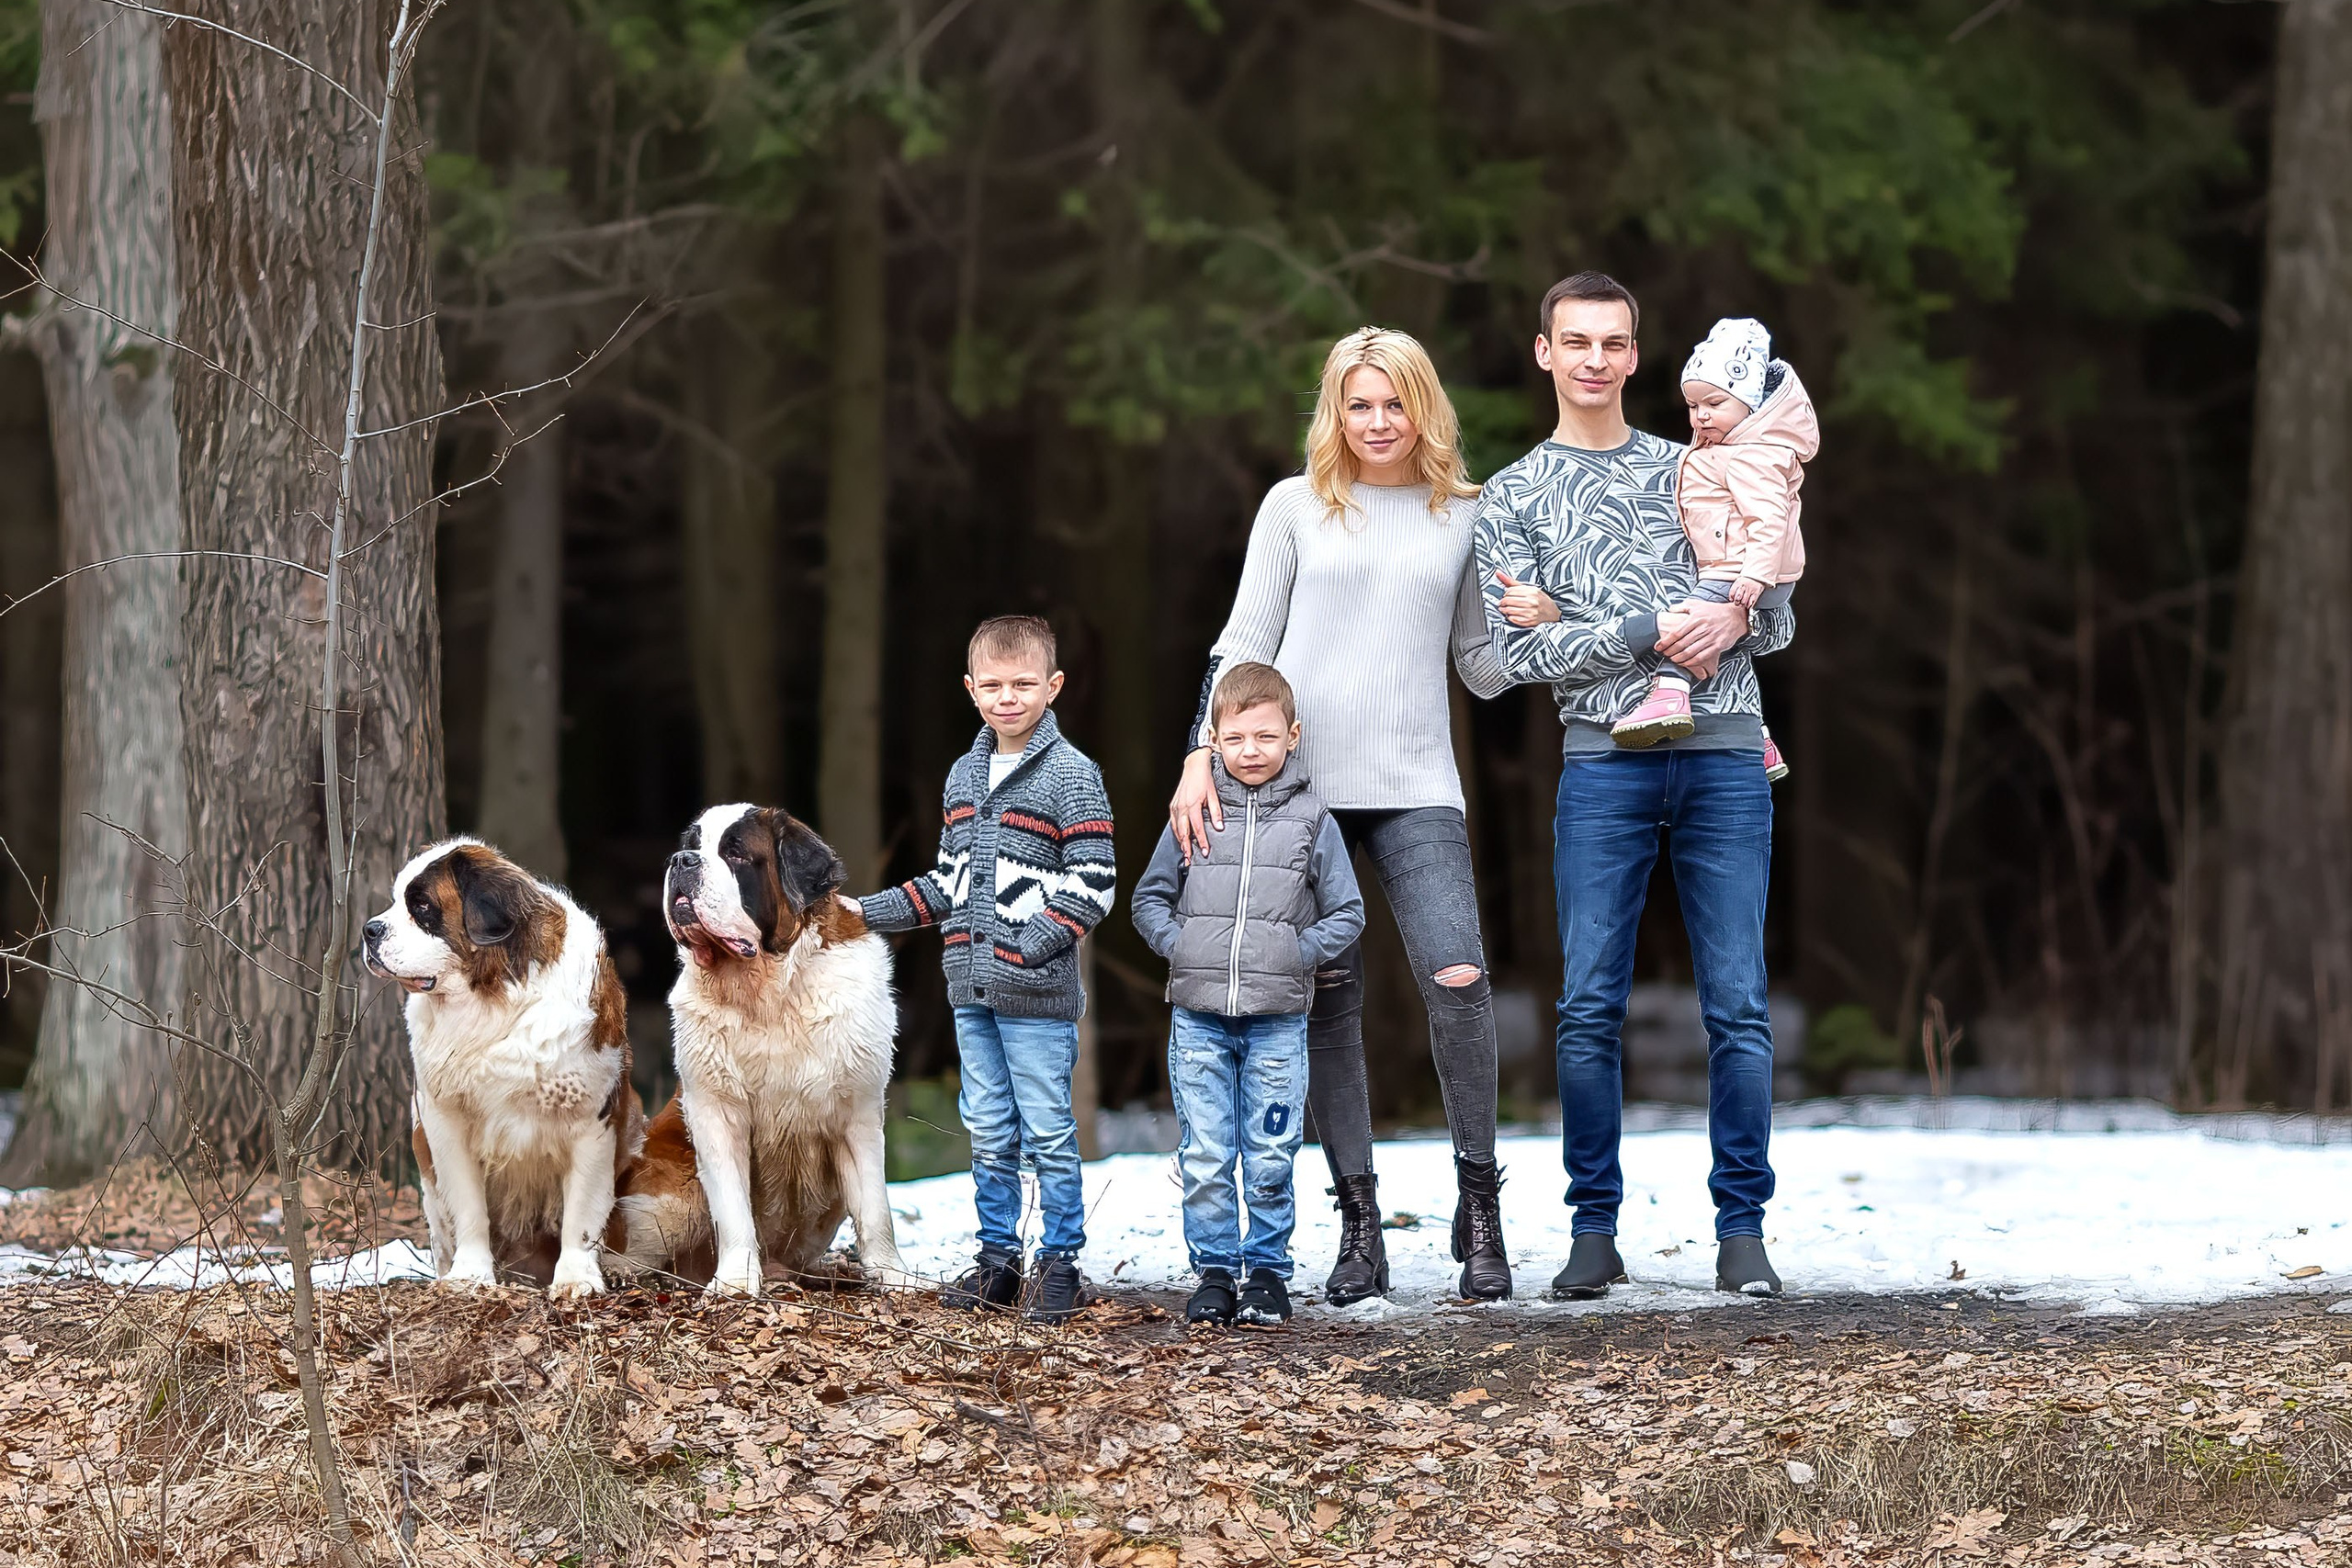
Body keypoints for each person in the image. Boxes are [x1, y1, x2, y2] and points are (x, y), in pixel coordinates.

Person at [1169, 326, 1516, 1304]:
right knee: (1325, 996)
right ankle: (1358, 1224)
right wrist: (1200, 753)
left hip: (1416, 788)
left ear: (1423, 408)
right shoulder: (1295, 507)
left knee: (1458, 975)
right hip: (1295, 794)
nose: (1376, 422)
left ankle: (1480, 1205)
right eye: (1358, 404)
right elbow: (1244, 641)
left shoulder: (1466, 515)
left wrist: (1548, 628)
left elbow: (1481, 669)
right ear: (1335, 410)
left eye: (1393, 403)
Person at [1475, 273, 1796, 1300]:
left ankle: (1742, 1232)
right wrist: (1637, 630)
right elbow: (1506, 659)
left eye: (1613, 342)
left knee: (1738, 1005)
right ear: (1544, 354)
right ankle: (1592, 1231)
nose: (1595, 359)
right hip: (1601, 767)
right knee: (1585, 1007)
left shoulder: (1699, 462)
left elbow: (1779, 617)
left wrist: (1733, 613)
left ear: (1636, 353)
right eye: (1576, 341)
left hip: (1723, 754)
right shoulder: (1513, 496)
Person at [851, 615, 1115, 1325]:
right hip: (971, 991)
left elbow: (1094, 881)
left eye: (1024, 684)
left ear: (1052, 687)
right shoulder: (964, 775)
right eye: (993, 685)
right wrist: (863, 912)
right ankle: (998, 1259)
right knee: (990, 1127)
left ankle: (1061, 1260)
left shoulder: (1072, 775)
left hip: (1036, 993)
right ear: (971, 690)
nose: (1008, 697)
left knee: (1048, 1130)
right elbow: (947, 883)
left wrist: (1033, 941)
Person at [1132, 663, 1366, 1327]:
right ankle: (1213, 1270)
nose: (1251, 751)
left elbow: (1346, 912)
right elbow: (1149, 897)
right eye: (1235, 739)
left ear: (1294, 735)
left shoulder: (1312, 819)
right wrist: (1181, 946)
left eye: (1265, 736)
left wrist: (1297, 953)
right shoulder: (1195, 807)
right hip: (1199, 1019)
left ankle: (1265, 1270)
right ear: (1213, 740)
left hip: (1277, 1023)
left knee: (1270, 1150)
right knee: (1206, 1153)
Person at [1609, 317, 1818, 784]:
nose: (1701, 415)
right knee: (1720, 647)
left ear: (1749, 404)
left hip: (1742, 569)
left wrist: (1754, 576)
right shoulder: (1728, 447)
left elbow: (1770, 520)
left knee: (1690, 624)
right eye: (1693, 405)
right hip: (1740, 566)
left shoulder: (1753, 454)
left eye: (1715, 403)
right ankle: (1761, 738)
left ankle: (1668, 692)